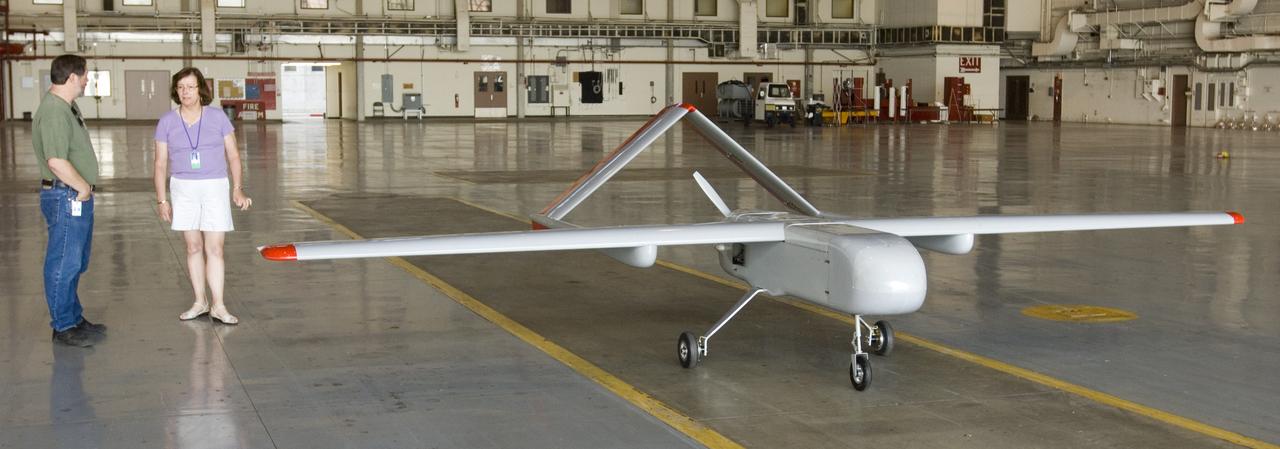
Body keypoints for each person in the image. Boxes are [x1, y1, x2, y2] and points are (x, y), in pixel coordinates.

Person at [153, 67, 251, 325]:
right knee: (193, 247)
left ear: (201, 90)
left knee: (215, 248)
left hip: (214, 186)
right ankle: (200, 301)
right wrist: (162, 200)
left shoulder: (218, 118)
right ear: (176, 90)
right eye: (181, 87)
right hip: (183, 187)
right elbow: (160, 163)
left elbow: (233, 156)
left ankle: (218, 305)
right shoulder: (167, 121)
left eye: (191, 87)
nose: (185, 92)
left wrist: (237, 188)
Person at [34, 54, 108, 347]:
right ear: (72, 77)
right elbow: (55, 161)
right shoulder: (54, 111)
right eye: (85, 75)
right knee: (64, 262)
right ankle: (63, 326)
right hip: (66, 194)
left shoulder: (66, 106)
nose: (88, 79)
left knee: (75, 261)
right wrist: (83, 189)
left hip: (72, 193)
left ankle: (74, 318)